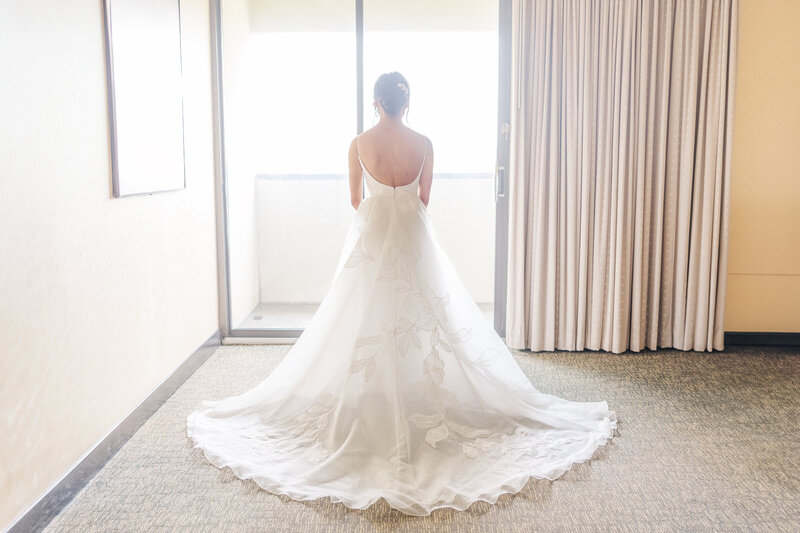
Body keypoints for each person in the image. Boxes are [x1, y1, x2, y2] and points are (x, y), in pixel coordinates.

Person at [187, 72, 618, 516]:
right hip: (415, 236)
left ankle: (375, 399)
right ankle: (418, 394)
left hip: (374, 235)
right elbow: (424, 198)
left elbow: (355, 200)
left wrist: (382, 214)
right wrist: (403, 211)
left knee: (361, 319)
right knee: (430, 316)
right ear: (406, 103)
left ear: (376, 102)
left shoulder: (357, 143)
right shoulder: (425, 143)